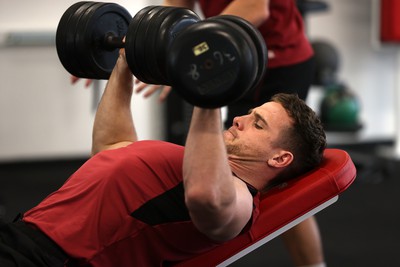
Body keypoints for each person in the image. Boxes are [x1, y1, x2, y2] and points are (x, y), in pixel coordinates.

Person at [0, 47, 326, 266]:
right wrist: (124, 66)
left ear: (280, 159)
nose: (239, 118)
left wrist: (209, 96)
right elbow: (112, 146)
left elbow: (206, 197)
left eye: (257, 123)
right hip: (21, 234)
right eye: (250, 113)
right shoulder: (190, 163)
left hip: (44, 259)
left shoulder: (240, 198)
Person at [134, 1, 326, 266]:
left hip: (275, 59)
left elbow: (256, 8)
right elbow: (174, 9)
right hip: (232, 49)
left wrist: (190, 50)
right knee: (230, 154)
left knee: (276, 180)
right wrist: (134, 49)